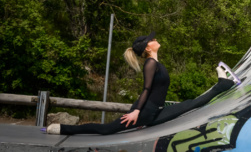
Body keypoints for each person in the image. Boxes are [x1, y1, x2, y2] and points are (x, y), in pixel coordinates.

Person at [45, 31, 238, 135]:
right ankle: (62, 129)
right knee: (107, 130)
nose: (155, 39)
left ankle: (223, 83)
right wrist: (136, 112)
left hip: (156, 111)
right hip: (145, 112)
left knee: (190, 104)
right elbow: (146, 88)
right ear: (148, 46)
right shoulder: (150, 63)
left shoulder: (156, 62)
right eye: (152, 39)